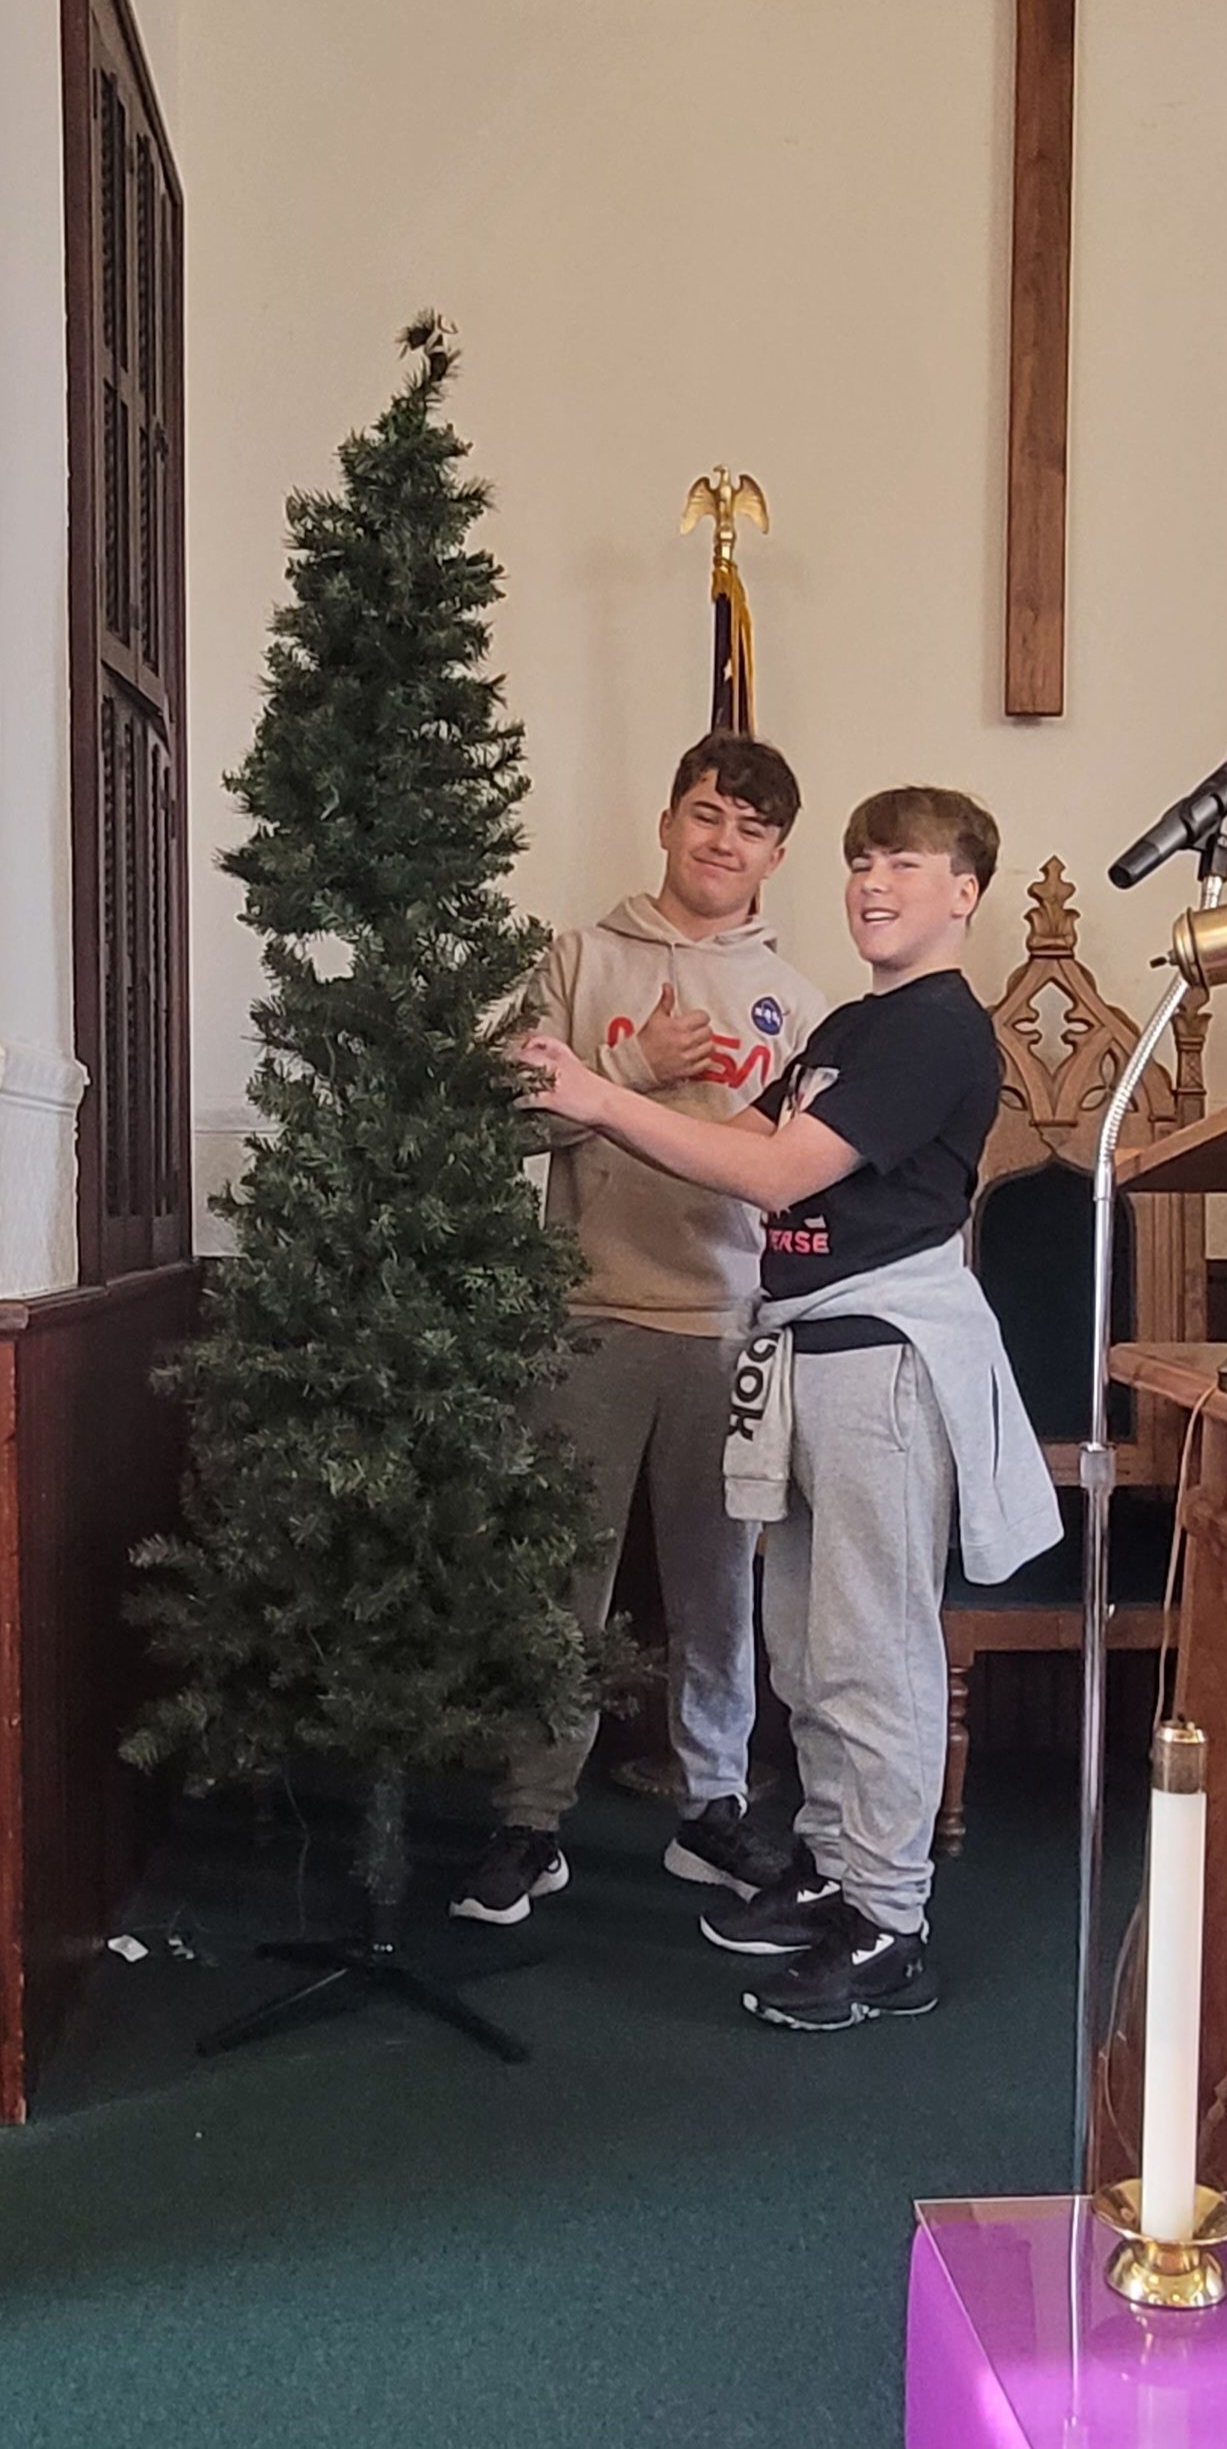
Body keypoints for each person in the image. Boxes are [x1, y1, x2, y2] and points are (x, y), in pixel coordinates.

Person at [516, 786, 1061, 2026]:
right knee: (806, 1638)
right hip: (803, 1346)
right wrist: (617, 1079)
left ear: (965, 891)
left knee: (872, 1644)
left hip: (882, 1356)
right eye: (862, 860)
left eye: (905, 864)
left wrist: (598, 1096)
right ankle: (832, 1865)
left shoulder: (935, 1028)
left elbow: (775, 1171)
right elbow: (733, 1151)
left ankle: (890, 1919)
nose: (872, 883)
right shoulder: (852, 1027)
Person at [452, 732, 825, 1926]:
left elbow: (809, 1173)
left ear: (777, 855)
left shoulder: (799, 1001)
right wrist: (631, 1063)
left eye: (753, 828)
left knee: (720, 1592)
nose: (725, 841)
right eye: (707, 814)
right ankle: (531, 1817)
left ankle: (713, 1808)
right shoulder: (579, 957)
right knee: (561, 1584)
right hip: (590, 1314)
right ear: (667, 823)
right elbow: (497, 1114)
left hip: (730, 1324)